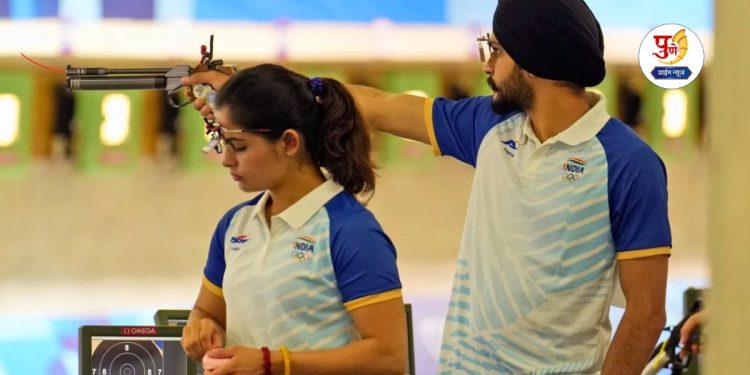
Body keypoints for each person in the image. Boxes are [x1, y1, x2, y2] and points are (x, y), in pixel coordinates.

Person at [182, 1, 672, 373]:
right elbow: (377, 104)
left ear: (532, 60)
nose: (487, 66)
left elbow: (647, 314)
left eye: (496, 52)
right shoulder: (490, 127)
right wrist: (246, 86)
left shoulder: (629, 164)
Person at [180, 64, 407, 375]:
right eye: (223, 143)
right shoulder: (235, 224)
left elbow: (388, 357)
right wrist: (200, 327)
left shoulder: (351, 231)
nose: (226, 159)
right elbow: (208, 310)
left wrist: (272, 363)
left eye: (239, 146)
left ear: (288, 142)